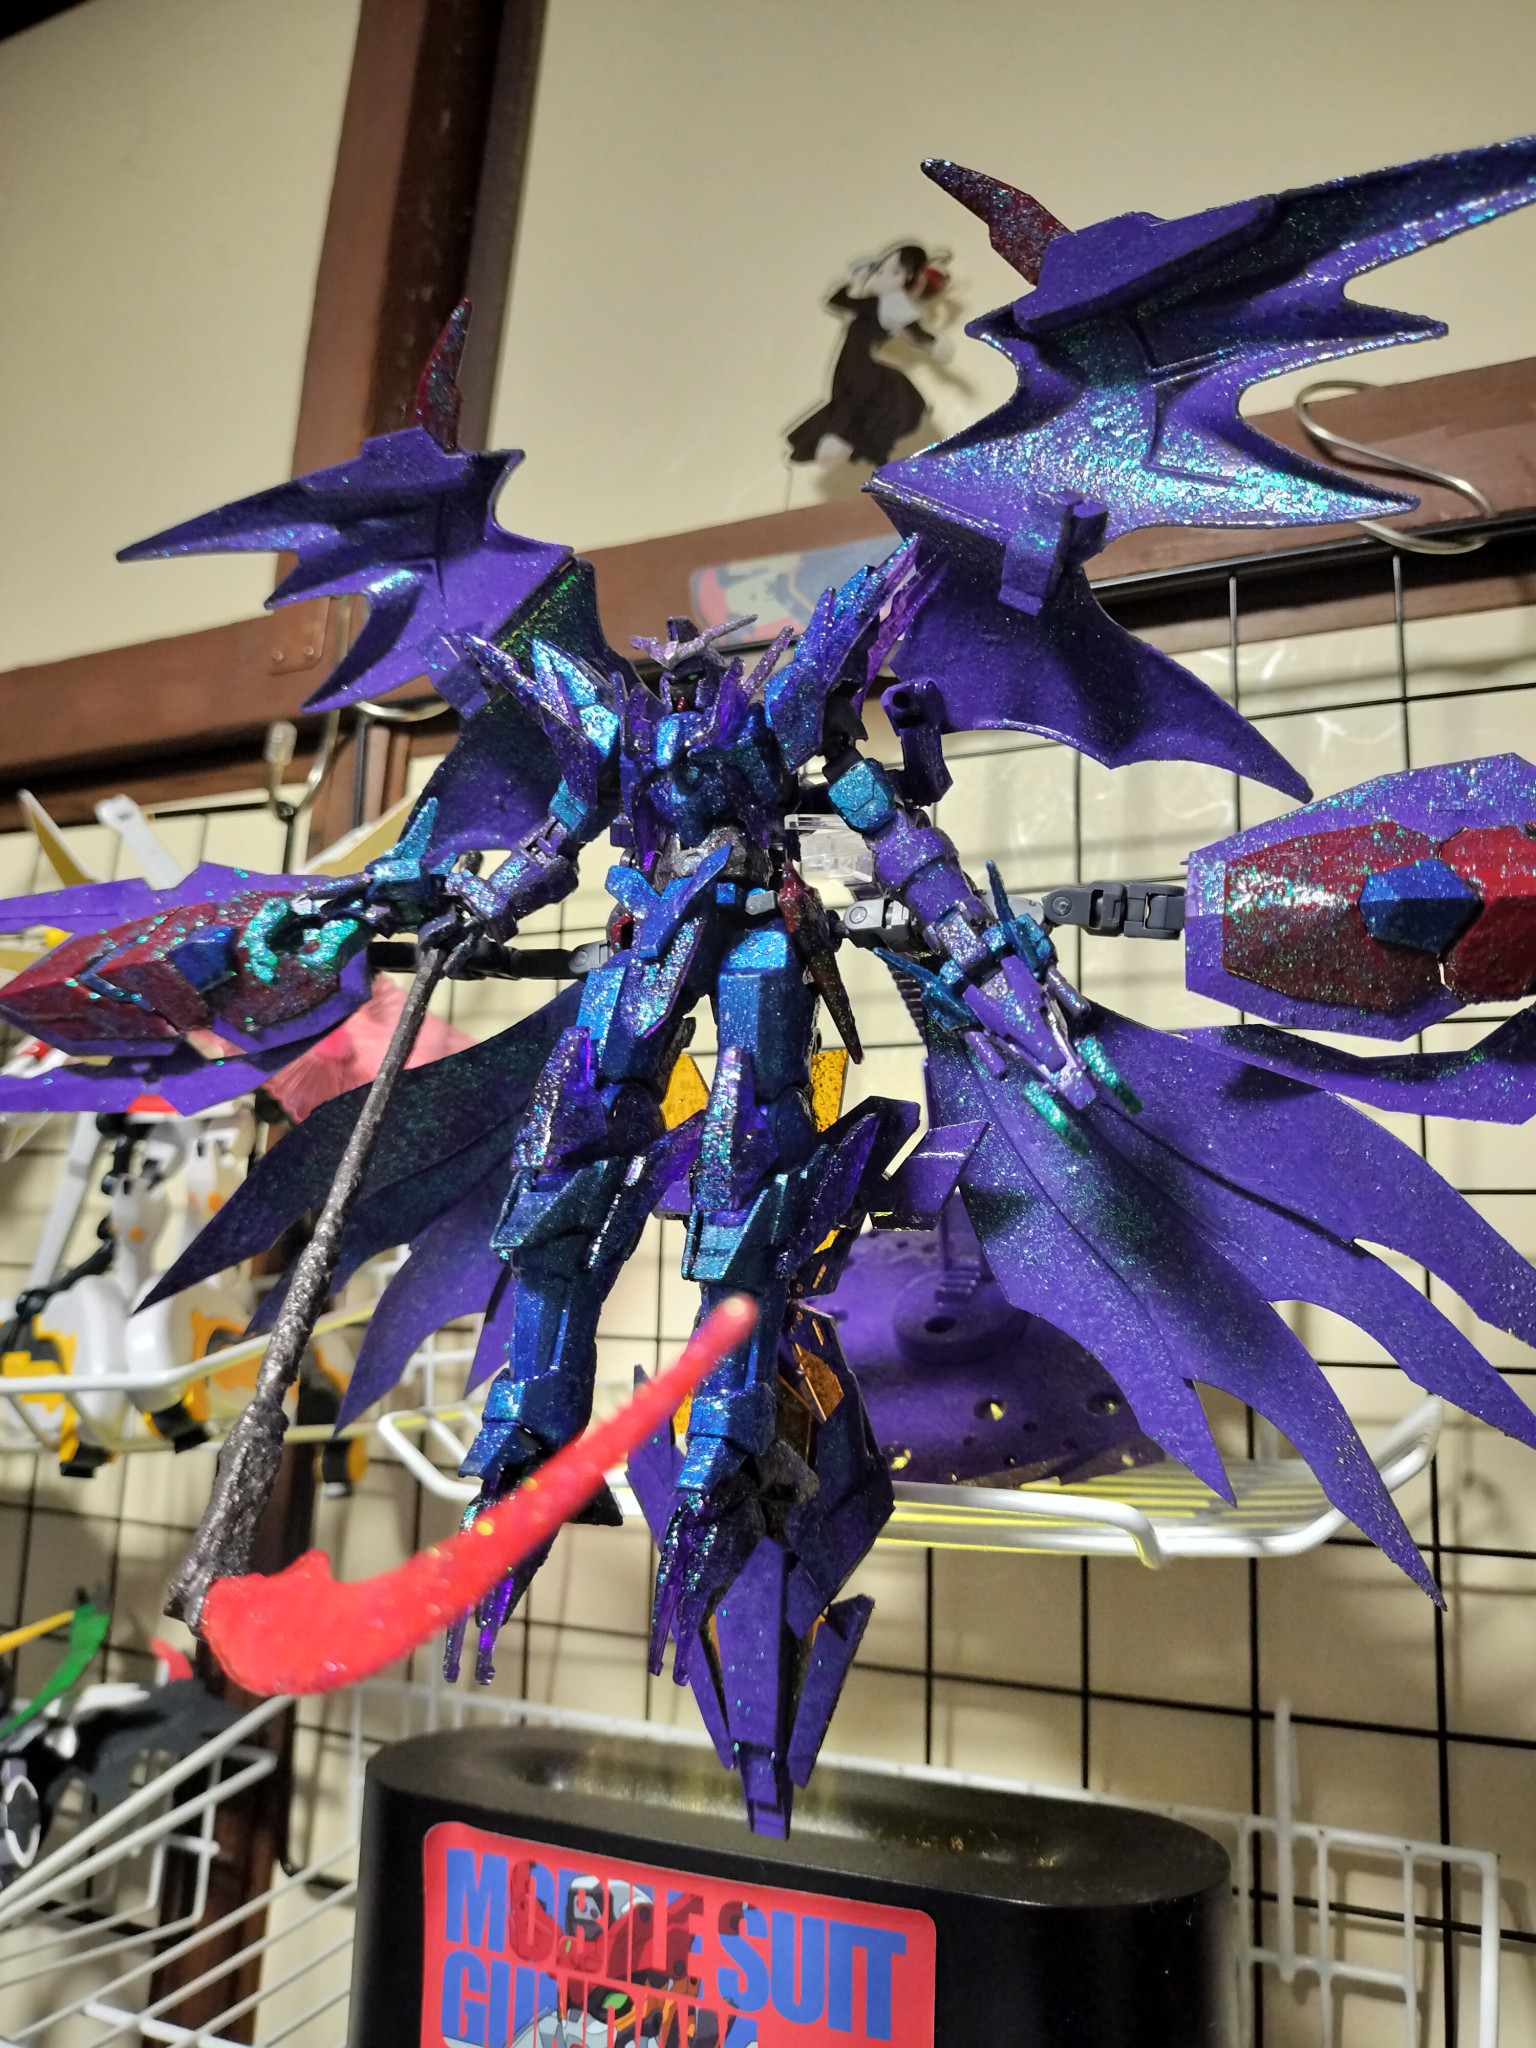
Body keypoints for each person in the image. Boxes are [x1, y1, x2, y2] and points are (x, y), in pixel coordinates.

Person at [786, 242, 951, 468]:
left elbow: (838, 301)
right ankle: (840, 446)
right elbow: (917, 332)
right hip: (853, 366)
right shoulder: (885, 303)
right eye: (880, 270)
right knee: (850, 411)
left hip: (857, 368)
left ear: (909, 278)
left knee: (854, 408)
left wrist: (854, 278)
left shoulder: (886, 303)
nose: (880, 277)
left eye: (894, 272)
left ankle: (839, 446)